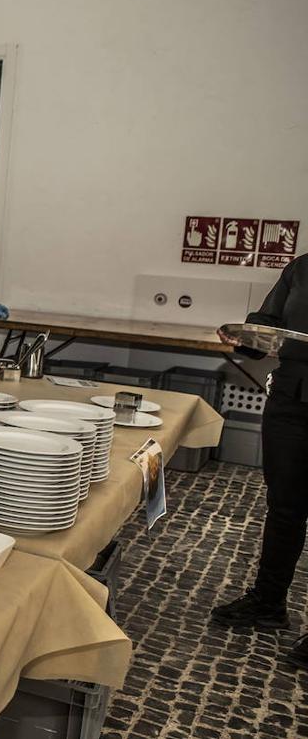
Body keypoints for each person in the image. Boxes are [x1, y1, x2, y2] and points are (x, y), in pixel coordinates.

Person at [211, 256, 308, 670]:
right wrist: (245, 337)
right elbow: (268, 327)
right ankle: (269, 603)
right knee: (284, 509)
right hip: (291, 400)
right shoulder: (301, 268)